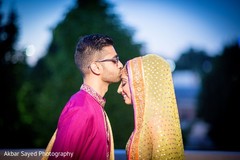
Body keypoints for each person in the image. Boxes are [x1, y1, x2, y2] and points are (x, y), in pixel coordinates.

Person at [43, 34, 123, 160]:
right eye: (115, 60)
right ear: (96, 67)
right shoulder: (80, 108)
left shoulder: (93, 105)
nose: (120, 65)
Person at [117, 54, 185, 160]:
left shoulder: (157, 124)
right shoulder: (147, 120)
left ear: (140, 83)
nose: (119, 90)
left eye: (124, 82)